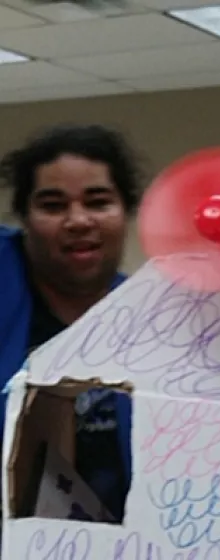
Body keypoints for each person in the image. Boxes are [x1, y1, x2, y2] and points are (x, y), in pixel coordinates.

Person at [0, 123, 142, 519]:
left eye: (98, 202)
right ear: (24, 219)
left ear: (125, 212)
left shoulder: (149, 316)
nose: (78, 220)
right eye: (52, 205)